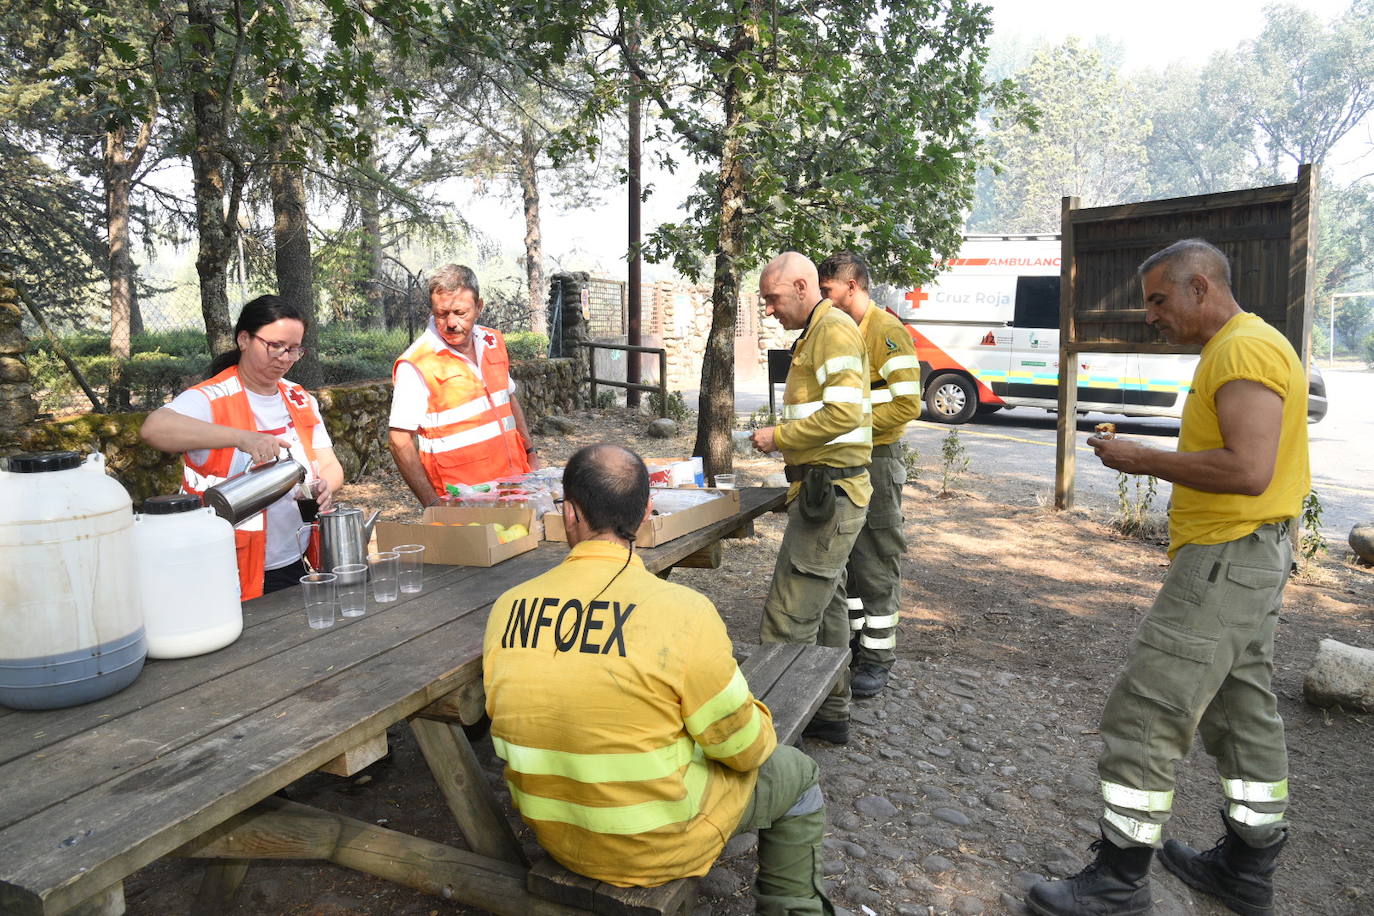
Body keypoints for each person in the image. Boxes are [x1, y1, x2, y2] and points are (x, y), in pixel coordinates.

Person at [1027, 239, 1308, 916]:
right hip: (1251, 557)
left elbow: (1248, 470)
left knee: (1147, 709)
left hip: (1226, 558)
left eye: (1158, 299)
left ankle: (1119, 880)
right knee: (1241, 712)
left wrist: (1142, 460)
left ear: (1201, 287)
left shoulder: (1242, 349)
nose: (1151, 314)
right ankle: (1246, 867)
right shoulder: (1250, 344)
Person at [483, 444, 835, 915]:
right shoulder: (683, 613)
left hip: (558, 837)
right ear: (647, 513)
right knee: (799, 772)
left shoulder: (508, 607)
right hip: (660, 845)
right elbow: (746, 749)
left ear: (569, 514)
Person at [140, 295, 345, 599]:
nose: (284, 358)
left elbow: (329, 464)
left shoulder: (299, 398)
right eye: (275, 346)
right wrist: (241, 437)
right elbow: (154, 429)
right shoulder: (211, 397)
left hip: (291, 559)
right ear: (244, 339)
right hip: (225, 563)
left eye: (294, 350)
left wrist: (327, 485)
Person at [750, 252, 872, 745]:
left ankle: (772, 739)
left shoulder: (832, 330)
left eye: (772, 299)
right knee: (828, 609)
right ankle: (830, 710)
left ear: (802, 287)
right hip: (826, 490)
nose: (768, 310)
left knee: (787, 617)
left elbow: (844, 416)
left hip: (831, 492)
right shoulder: (819, 330)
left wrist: (780, 437)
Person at [817, 252, 922, 699]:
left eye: (828, 292)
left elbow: (907, 404)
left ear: (853, 286)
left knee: (877, 560)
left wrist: (848, 423)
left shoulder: (886, 331)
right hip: (849, 458)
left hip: (877, 459)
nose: (824, 301)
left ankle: (878, 660)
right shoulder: (843, 331)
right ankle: (859, 646)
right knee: (853, 564)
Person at [388, 264, 538, 506]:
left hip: (515, 486)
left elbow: (507, 398)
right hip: (463, 501)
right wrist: (434, 505)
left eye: (460, 312)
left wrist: (530, 453)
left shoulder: (492, 341)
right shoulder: (416, 363)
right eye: (441, 314)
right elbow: (398, 440)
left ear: (479, 307)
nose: (451, 323)